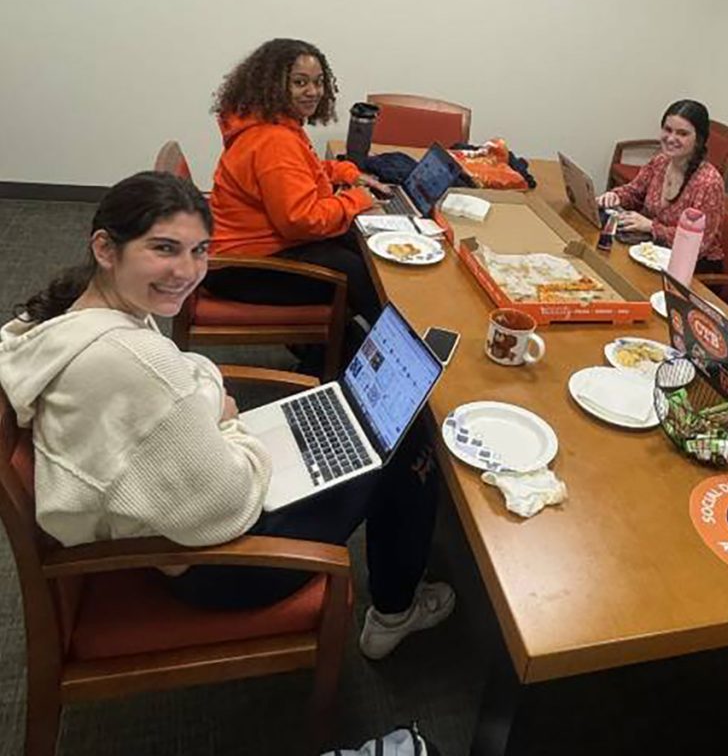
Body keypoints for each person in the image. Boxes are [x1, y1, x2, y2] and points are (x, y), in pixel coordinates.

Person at [0, 172, 454, 659]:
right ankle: (396, 613)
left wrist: (213, 408)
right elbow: (228, 507)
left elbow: (187, 374)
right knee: (405, 438)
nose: (187, 270)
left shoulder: (71, 318)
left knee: (350, 424)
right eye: (164, 249)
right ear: (106, 248)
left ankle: (330, 465)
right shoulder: (132, 363)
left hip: (166, 516)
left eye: (199, 251)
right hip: (219, 569)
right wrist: (241, 435)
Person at [205, 38, 390, 329]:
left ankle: (338, 351)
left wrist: (346, 173)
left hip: (245, 251)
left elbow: (300, 171)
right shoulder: (274, 140)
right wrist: (358, 199)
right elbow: (301, 221)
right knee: (360, 272)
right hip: (242, 268)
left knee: (358, 250)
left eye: (318, 82)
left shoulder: (271, 124)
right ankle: (389, 353)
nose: (313, 91)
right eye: (300, 83)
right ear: (273, 86)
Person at [596, 99, 726, 272]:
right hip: (653, 251)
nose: (671, 138)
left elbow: (698, 245)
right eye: (667, 129)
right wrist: (615, 196)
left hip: (693, 269)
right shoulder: (661, 161)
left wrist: (651, 227)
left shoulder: (708, 183)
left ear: (699, 140)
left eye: (682, 133)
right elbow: (635, 192)